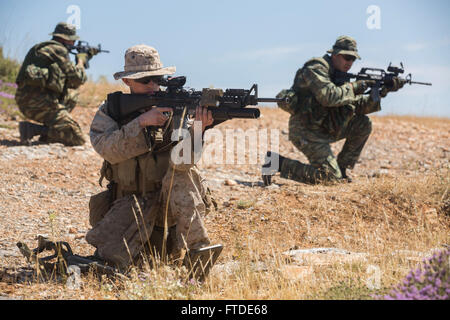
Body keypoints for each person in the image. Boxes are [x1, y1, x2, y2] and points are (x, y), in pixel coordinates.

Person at [85, 44, 221, 276]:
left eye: (157, 79)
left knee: (182, 173)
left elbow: (183, 164)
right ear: (127, 81)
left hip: (169, 217)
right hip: (131, 212)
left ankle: (198, 252)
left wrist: (198, 129)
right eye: (145, 80)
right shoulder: (111, 111)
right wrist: (140, 123)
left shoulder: (175, 111)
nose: (152, 86)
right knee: (109, 265)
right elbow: (108, 149)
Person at [262, 35, 405, 185]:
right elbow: (328, 96)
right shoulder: (316, 68)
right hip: (306, 131)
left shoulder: (341, 79)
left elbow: (359, 106)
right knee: (330, 179)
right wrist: (357, 86)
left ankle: (343, 170)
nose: (349, 63)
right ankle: (276, 163)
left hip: (326, 128)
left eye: (353, 59)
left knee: (363, 123)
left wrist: (382, 91)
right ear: (335, 55)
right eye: (347, 57)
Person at [15, 22, 98, 146]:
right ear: (66, 39)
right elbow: (78, 78)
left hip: (25, 101)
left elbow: (70, 83)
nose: (73, 44)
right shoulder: (59, 50)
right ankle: (34, 129)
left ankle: (50, 130)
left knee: (72, 95)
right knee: (77, 137)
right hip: (39, 103)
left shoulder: (41, 48)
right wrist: (81, 60)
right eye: (72, 41)